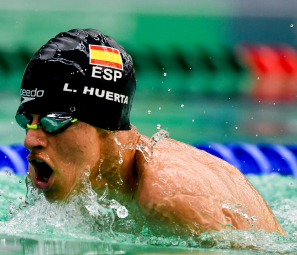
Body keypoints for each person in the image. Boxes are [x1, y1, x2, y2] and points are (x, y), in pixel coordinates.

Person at [15, 28, 285, 236]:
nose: (31, 139)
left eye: (54, 121)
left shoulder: (168, 198)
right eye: (28, 119)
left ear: (103, 123)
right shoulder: (71, 172)